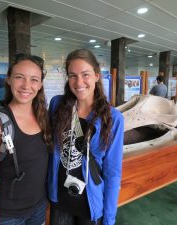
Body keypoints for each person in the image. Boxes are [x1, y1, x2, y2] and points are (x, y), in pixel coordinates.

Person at [48, 49, 124, 225]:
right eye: (73, 75)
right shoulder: (57, 105)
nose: (79, 82)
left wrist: (109, 218)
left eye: (85, 74)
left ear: (97, 76)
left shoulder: (113, 119)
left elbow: (112, 172)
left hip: (89, 205)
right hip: (59, 200)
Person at [0, 54, 52, 225]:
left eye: (34, 80)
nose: (27, 86)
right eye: (19, 77)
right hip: (7, 216)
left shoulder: (44, 118)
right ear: (9, 79)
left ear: (40, 85)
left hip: (38, 208)